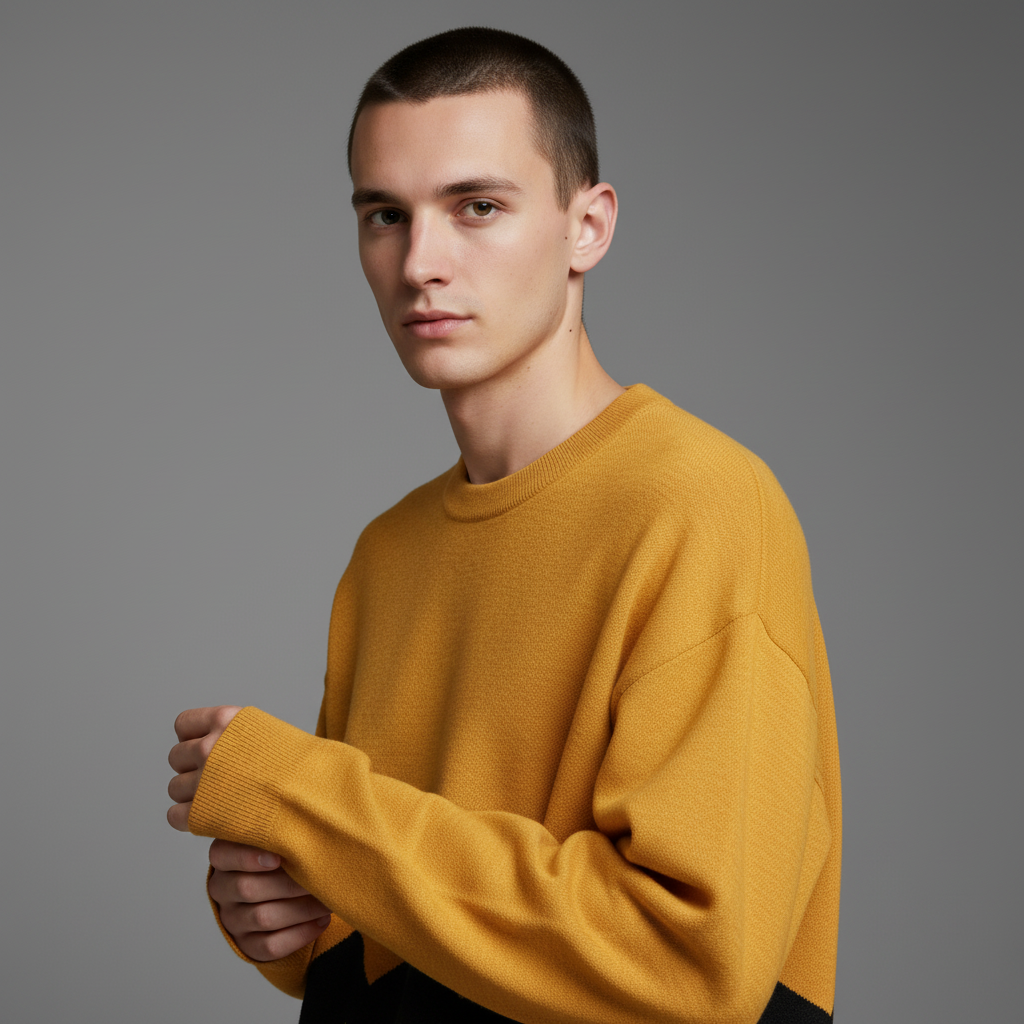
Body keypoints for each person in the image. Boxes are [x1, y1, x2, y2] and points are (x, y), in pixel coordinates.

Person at [166, 26, 842, 1024]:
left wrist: (300, 798)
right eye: (385, 215)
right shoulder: (386, 554)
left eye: (475, 207)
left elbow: (691, 968)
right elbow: (399, 905)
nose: (419, 262)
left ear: (588, 226)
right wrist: (285, 914)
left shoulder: (700, 504)